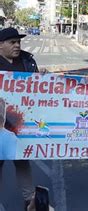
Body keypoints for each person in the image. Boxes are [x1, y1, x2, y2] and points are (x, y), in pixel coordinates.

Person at [0, 27, 37, 208]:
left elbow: (38, 90)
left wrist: (42, 78)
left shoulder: (27, 61)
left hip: (21, 123)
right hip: (1, 124)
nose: (17, 45)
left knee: (22, 160)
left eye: (18, 42)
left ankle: (30, 200)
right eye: (12, 42)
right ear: (0, 46)